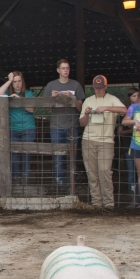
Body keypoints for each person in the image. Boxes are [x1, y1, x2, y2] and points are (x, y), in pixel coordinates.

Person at [78, 75, 126, 208]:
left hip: (106, 140)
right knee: (91, 173)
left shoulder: (112, 99)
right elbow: (82, 123)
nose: (98, 90)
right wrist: (87, 114)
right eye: (96, 87)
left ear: (105, 87)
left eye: (100, 87)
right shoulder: (88, 100)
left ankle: (109, 203)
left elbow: (124, 110)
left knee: (104, 171)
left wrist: (107, 108)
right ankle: (96, 203)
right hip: (89, 139)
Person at [42, 59, 84, 192]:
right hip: (56, 126)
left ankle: (72, 185)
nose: (66, 70)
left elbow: (80, 107)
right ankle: (59, 185)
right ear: (58, 70)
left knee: (72, 156)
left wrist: (72, 98)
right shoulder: (50, 86)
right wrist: (53, 98)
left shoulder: (76, 85)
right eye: (63, 68)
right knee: (58, 157)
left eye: (67, 68)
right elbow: (46, 108)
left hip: (72, 125)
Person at [0, 71, 35, 184]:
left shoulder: (28, 94)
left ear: (22, 82)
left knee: (26, 155)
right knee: (14, 156)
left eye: (19, 81)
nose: (17, 84)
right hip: (13, 129)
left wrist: (18, 100)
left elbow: (31, 109)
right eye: (15, 82)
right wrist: (9, 80)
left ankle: (25, 181)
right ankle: (15, 180)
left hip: (28, 129)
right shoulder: (7, 93)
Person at [117, 88, 139, 204]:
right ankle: (133, 199)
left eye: (138, 96)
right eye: (134, 96)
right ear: (129, 98)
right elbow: (119, 131)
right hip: (128, 145)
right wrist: (131, 131)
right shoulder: (124, 113)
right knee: (131, 172)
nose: (136, 98)